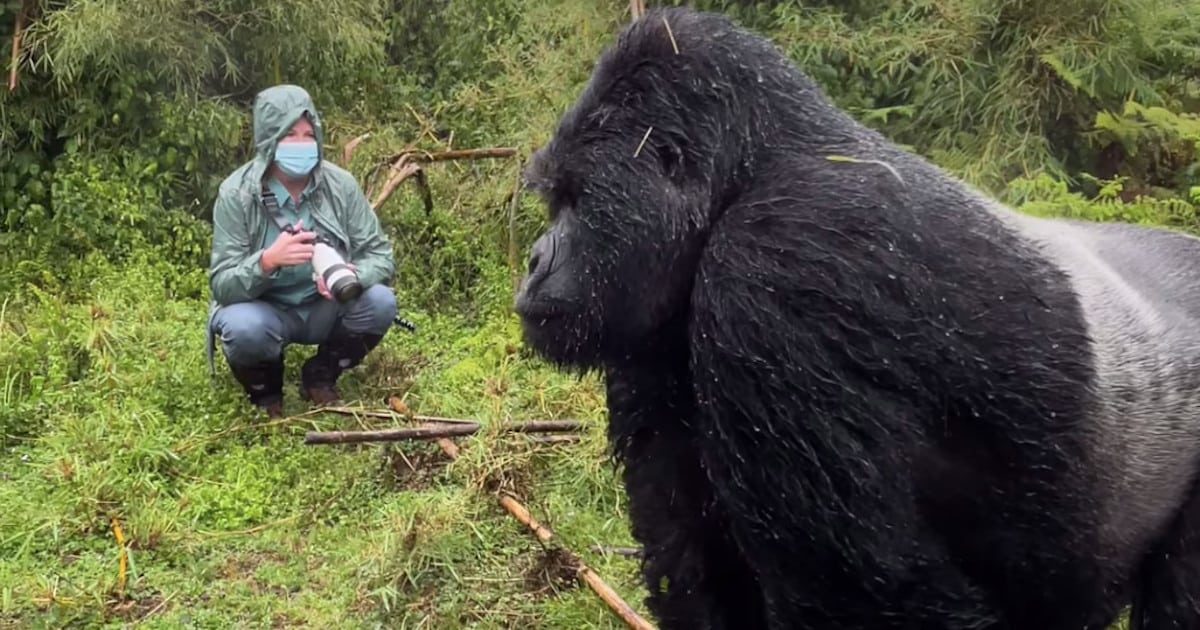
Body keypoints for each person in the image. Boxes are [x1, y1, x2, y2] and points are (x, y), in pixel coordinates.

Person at [205, 84, 412, 418]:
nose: (301, 144)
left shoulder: (340, 184)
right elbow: (222, 284)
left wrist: (352, 275)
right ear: (269, 139)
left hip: (324, 306)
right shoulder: (237, 193)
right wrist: (267, 261)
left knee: (380, 302)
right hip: (265, 310)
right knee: (243, 328)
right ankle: (266, 391)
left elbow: (380, 255)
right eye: (289, 135)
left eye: (308, 134)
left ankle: (321, 375)